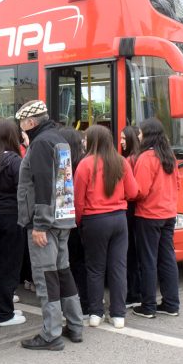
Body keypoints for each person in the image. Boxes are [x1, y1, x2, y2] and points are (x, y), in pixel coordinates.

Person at [16, 100, 83, 350]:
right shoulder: (58, 139)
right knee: (62, 273)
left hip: (46, 221)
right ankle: (75, 325)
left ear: (31, 122)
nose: (21, 128)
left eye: (22, 123)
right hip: (63, 217)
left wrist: (40, 224)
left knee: (46, 278)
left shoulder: (41, 143)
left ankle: (51, 334)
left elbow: (43, 183)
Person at [74, 125, 138, 328]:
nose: (83, 143)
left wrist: (78, 222)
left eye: (85, 139)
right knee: (118, 267)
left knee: (95, 268)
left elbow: (78, 200)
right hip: (119, 218)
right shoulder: (120, 161)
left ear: (92, 141)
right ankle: (118, 315)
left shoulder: (85, 164)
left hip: (94, 221)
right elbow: (133, 191)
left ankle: (95, 313)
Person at [132, 118, 181, 319]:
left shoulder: (146, 158)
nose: (138, 136)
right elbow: (178, 184)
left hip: (149, 215)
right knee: (167, 259)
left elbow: (140, 191)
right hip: (169, 213)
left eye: (140, 133)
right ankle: (171, 304)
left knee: (148, 261)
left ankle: (148, 306)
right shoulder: (169, 156)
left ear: (148, 135)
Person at [0, 119, 27, 327]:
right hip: (11, 217)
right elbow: (23, 191)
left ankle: (3, 308)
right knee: (9, 266)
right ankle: (4, 313)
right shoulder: (15, 161)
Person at [59, 127, 88, 315]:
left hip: (68, 221)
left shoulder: (64, 167)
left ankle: (74, 306)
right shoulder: (85, 163)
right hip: (85, 220)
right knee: (83, 264)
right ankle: (85, 303)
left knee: (69, 264)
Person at [121, 125, 143, 307]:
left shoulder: (129, 160)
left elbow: (131, 190)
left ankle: (133, 293)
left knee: (130, 254)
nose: (120, 142)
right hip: (141, 211)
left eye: (123, 138)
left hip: (130, 210)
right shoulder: (141, 157)